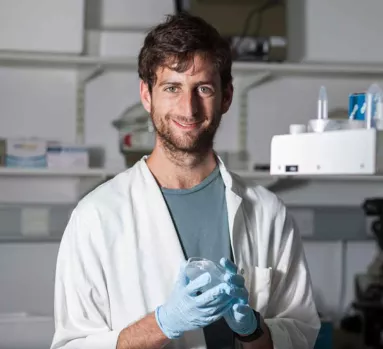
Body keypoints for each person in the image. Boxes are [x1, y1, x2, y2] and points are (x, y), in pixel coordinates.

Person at [50, 12, 320, 349]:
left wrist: (253, 330)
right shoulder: (96, 216)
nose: (188, 108)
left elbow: (302, 335)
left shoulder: (267, 212)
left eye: (203, 88)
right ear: (147, 95)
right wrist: (163, 323)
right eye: (172, 88)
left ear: (226, 96)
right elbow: (72, 346)